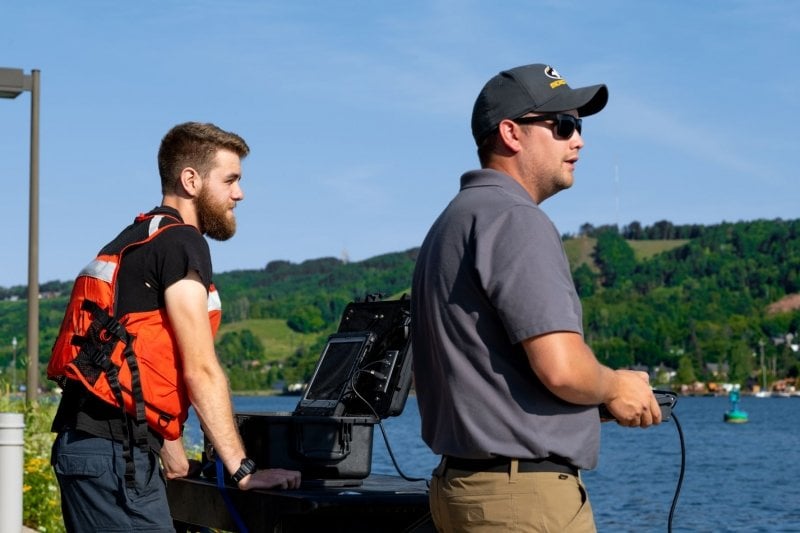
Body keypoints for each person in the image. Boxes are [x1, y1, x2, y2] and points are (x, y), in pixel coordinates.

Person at [411, 64, 663, 532]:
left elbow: (491, 382)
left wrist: (594, 406)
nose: (579, 141)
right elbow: (562, 369)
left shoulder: (452, 222)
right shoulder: (514, 219)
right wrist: (616, 387)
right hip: (523, 502)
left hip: (462, 490)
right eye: (563, 125)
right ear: (511, 133)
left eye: (579, 126)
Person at [48, 122, 301, 532]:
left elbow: (137, 355)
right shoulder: (183, 243)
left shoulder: (138, 239)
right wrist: (242, 469)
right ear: (191, 180)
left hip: (91, 448)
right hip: (116, 458)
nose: (240, 194)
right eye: (230, 180)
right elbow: (198, 367)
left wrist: (171, 448)